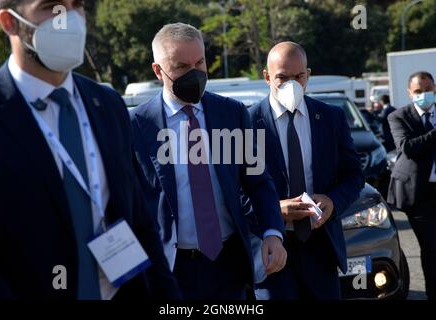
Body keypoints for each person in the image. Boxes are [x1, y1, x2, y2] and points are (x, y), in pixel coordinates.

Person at [0, 0, 180, 300]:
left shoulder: (108, 105)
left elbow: (140, 222)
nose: (70, 18)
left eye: (76, 5)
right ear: (9, 22)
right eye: (53, 6)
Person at [129, 23, 287, 300]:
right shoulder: (135, 126)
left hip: (230, 265)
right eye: (181, 67)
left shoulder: (232, 113)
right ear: (158, 71)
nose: (195, 73)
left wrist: (273, 233)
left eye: (200, 62)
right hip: (169, 270)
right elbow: (124, 202)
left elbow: (259, 183)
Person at [248, 42, 364, 299]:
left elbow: (353, 174)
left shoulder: (331, 117)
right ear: (267, 77)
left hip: (321, 248)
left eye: (299, 77)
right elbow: (232, 189)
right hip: (271, 250)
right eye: (282, 77)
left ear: (308, 75)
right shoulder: (246, 123)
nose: (292, 84)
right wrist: (275, 208)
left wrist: (333, 200)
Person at [388, 71, 436, 300]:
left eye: (428, 90)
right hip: (418, 193)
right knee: (432, 246)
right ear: (410, 93)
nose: (424, 95)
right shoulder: (399, 117)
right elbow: (407, 147)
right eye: (418, 91)